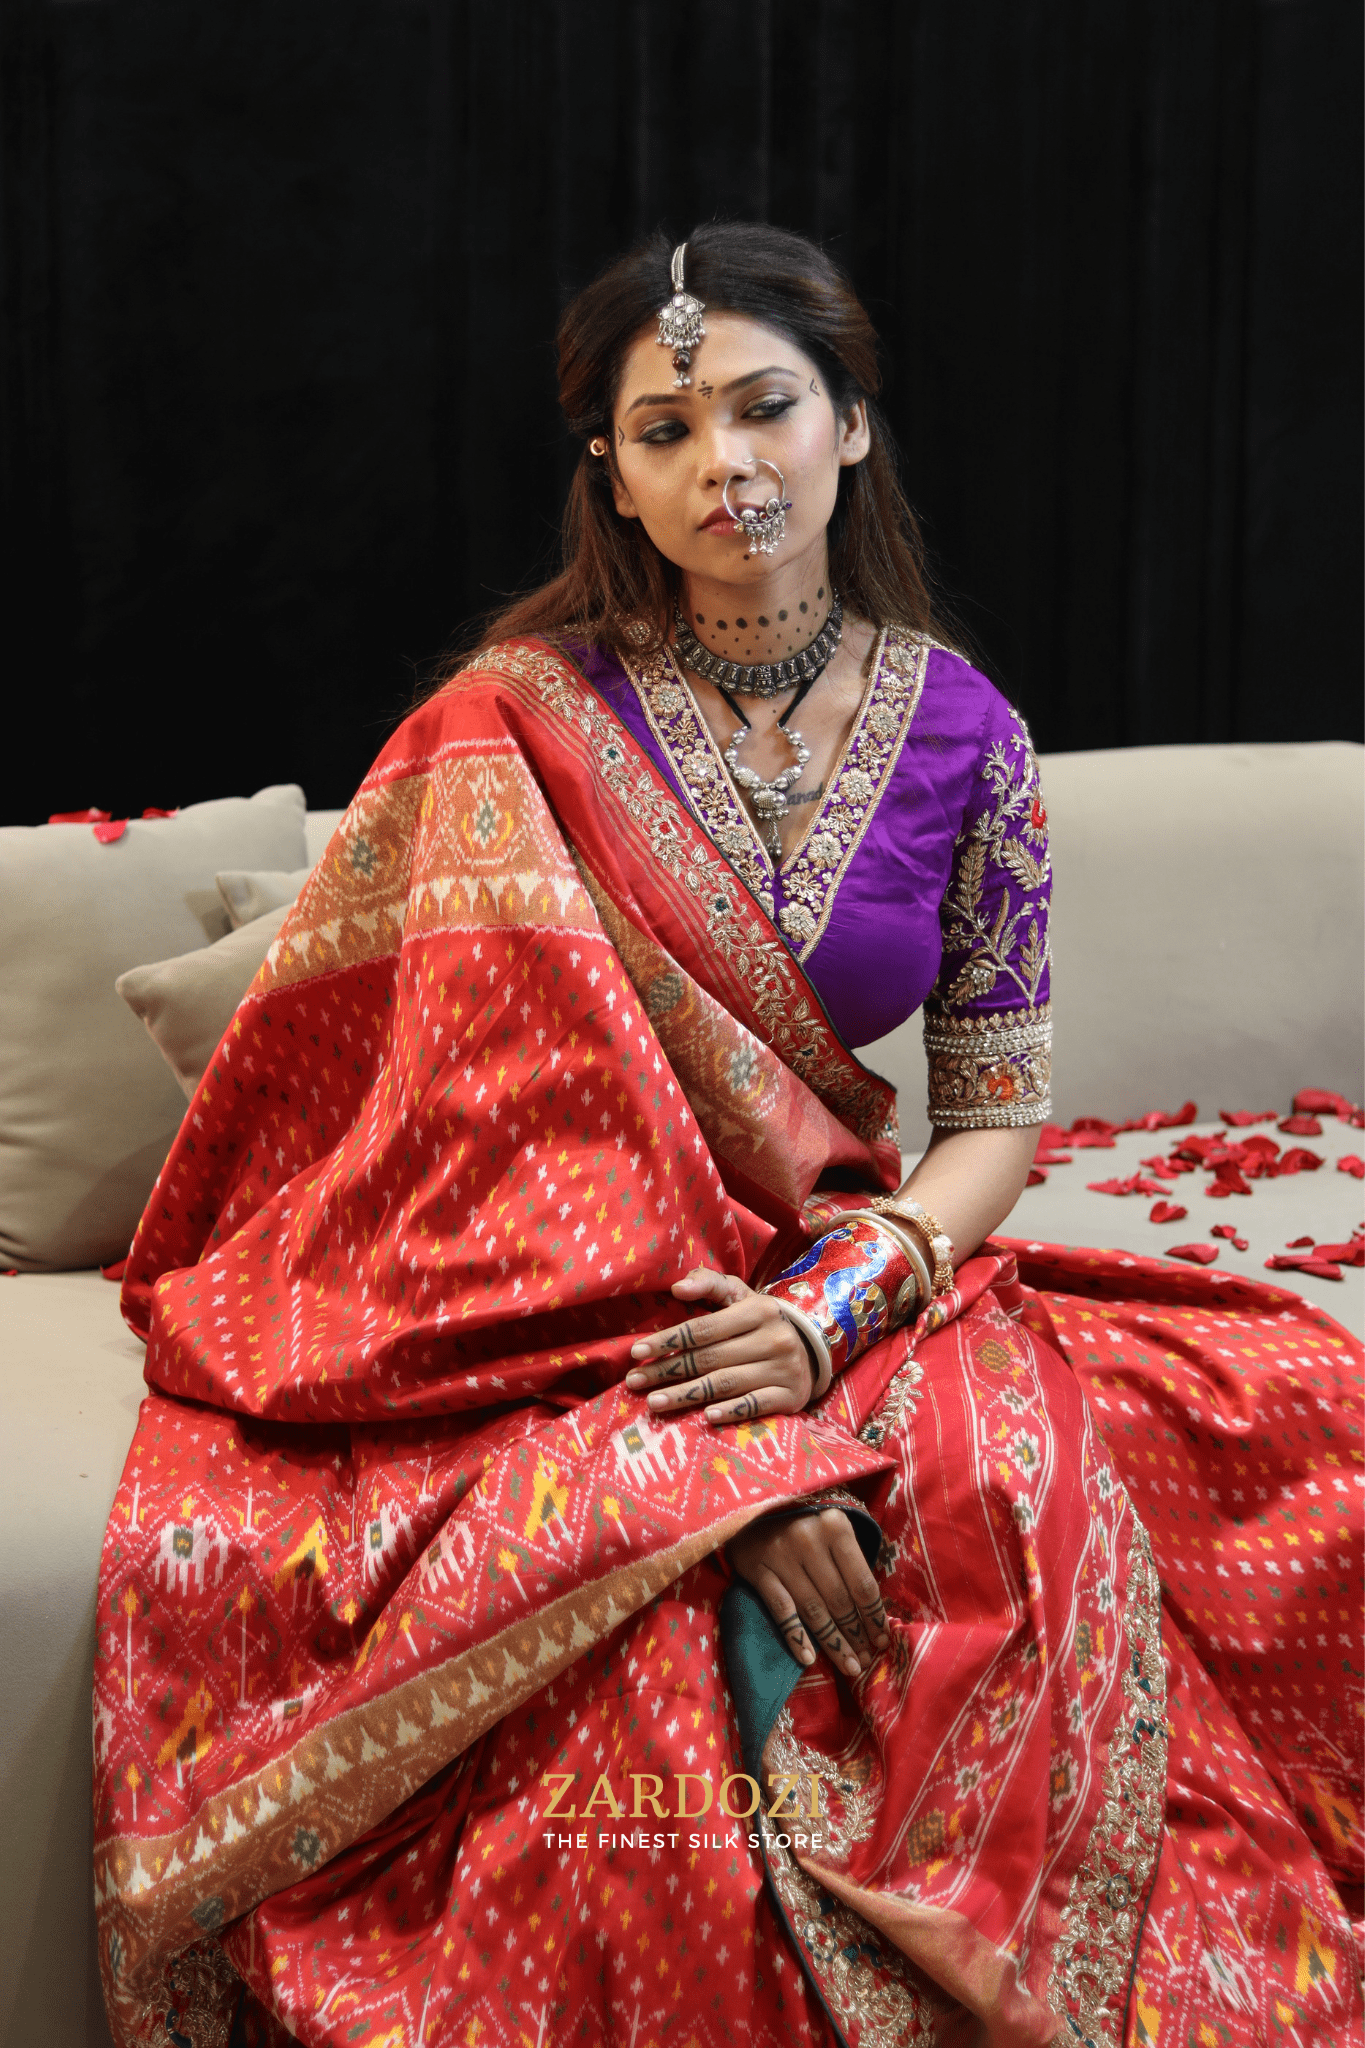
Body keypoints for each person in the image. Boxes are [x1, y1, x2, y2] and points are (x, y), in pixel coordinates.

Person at [93, 224, 1361, 2048]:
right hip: (541, 1292)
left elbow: (993, 1118)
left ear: (853, 425)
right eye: (666, 429)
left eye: (767, 408)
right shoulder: (508, 728)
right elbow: (481, 1138)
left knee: (1237, 1432)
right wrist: (715, 1452)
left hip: (827, 1265)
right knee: (674, 1667)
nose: (726, 464)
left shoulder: (970, 739)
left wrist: (833, 1317)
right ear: (612, 475)